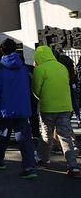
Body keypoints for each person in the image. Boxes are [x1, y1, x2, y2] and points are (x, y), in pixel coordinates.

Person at [0, 38, 37, 179]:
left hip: (6, 109)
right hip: (22, 108)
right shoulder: (24, 67)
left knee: (2, 136)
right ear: (15, 50)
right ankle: (29, 167)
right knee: (24, 139)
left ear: (1, 51)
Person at [32, 46, 81, 177]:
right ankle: (73, 166)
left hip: (48, 108)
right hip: (65, 107)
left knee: (46, 135)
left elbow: (36, 90)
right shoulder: (62, 67)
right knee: (65, 136)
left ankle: (45, 159)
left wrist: (42, 98)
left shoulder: (40, 69)